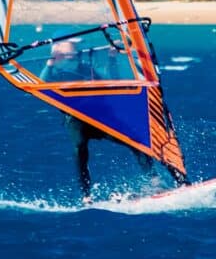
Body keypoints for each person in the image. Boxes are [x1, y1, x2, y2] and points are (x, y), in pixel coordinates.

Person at [41, 39, 187, 202]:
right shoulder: (57, 72)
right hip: (77, 119)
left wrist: (111, 57)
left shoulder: (85, 68)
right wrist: (49, 64)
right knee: (79, 150)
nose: (74, 54)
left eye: (74, 51)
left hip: (98, 117)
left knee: (135, 140)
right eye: (69, 52)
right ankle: (86, 196)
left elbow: (111, 81)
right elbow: (42, 83)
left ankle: (155, 181)